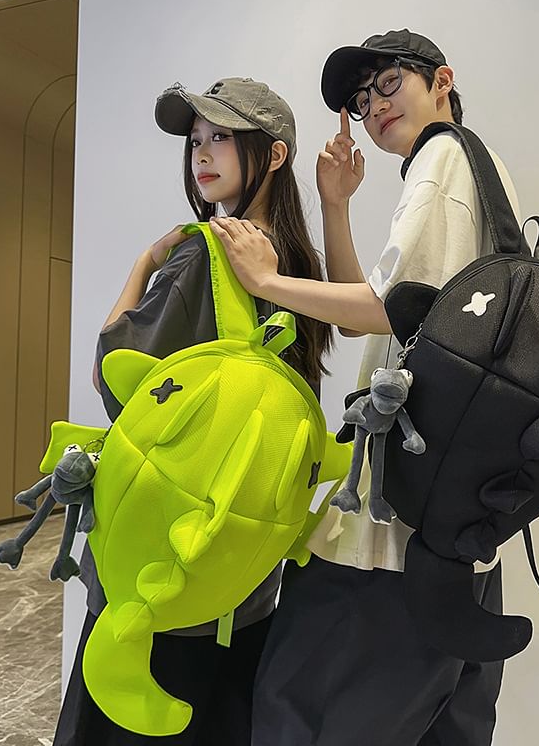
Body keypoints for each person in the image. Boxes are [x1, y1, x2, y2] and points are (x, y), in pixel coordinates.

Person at [212, 29, 522, 746]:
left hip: (390, 537)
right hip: (456, 521)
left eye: (388, 84)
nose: (374, 106)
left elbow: (379, 310)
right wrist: (336, 204)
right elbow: (371, 314)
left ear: (441, 81)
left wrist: (265, 280)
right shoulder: (480, 171)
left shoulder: (442, 161)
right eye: (361, 98)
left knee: (305, 717)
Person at [53, 77, 332, 745]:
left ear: (273, 154)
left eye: (221, 138)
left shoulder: (203, 255)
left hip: (162, 561)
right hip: (243, 571)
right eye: (195, 140)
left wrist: (143, 264)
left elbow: (115, 378)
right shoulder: (295, 264)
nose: (201, 154)